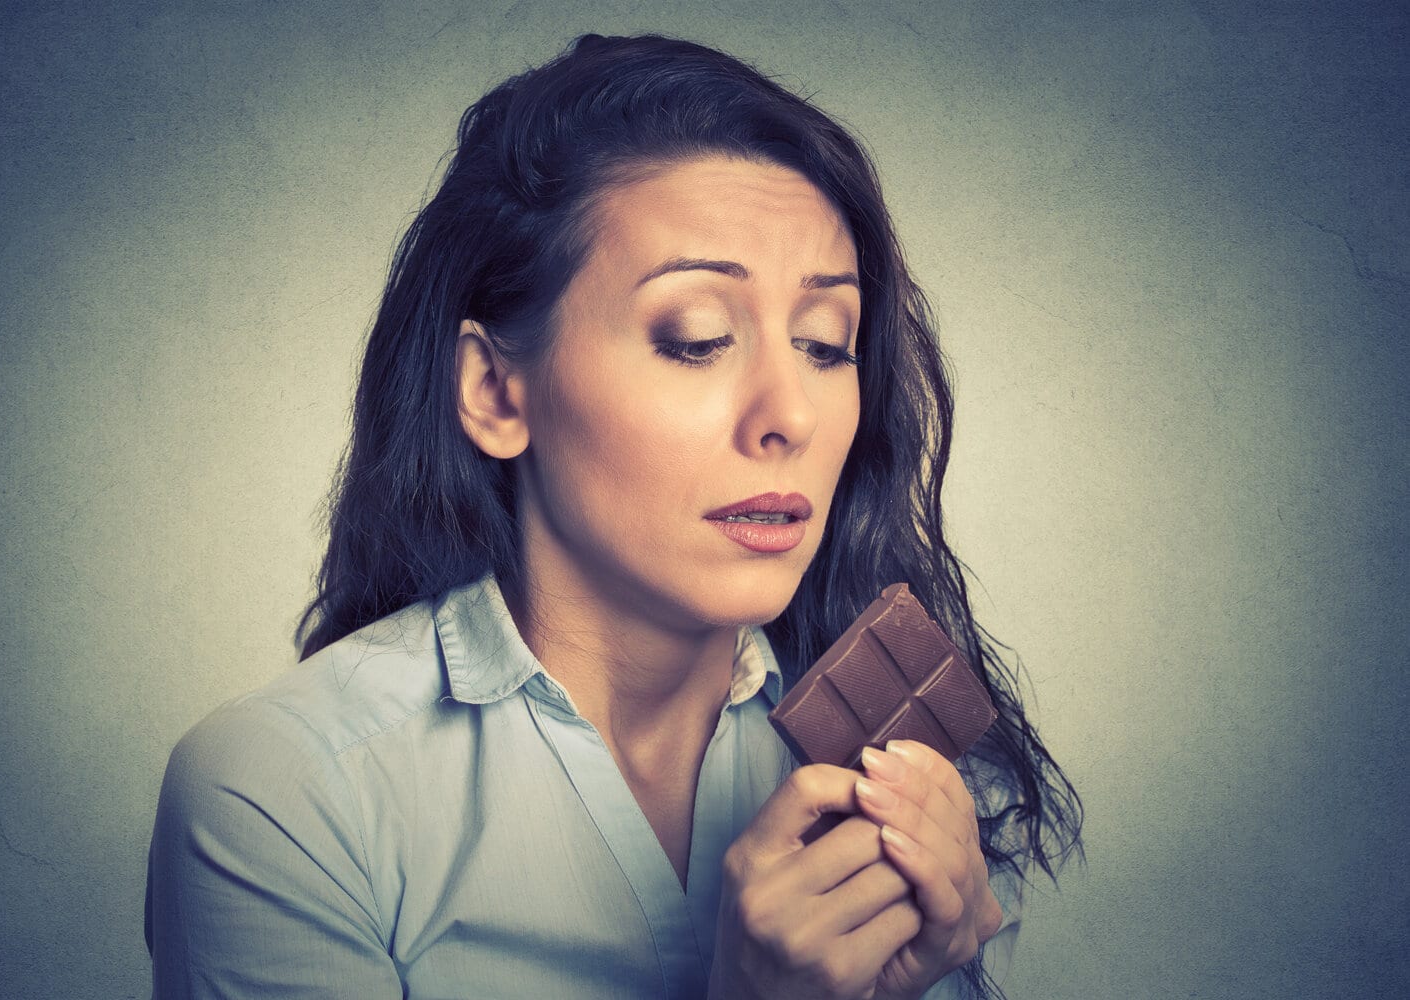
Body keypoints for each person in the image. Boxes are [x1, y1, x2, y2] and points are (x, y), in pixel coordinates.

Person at [145, 32, 1082, 1000]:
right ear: (497, 390)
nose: (789, 417)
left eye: (825, 342)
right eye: (696, 339)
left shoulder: (907, 770)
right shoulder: (287, 787)